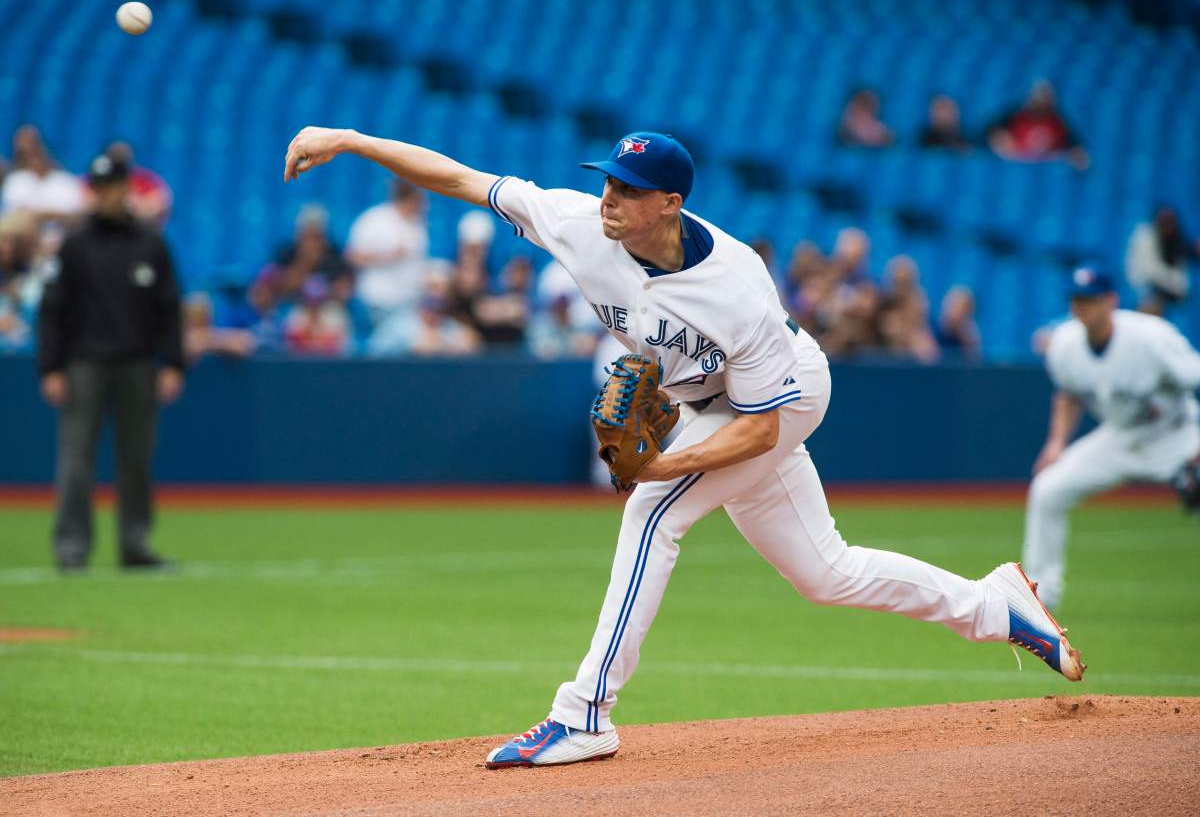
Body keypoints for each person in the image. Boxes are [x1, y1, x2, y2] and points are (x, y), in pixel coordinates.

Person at [284, 126, 1086, 770]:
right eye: (607, 181)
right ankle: (993, 604)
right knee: (824, 570)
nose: (608, 198)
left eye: (627, 190)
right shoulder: (577, 223)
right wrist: (353, 140)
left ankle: (584, 714)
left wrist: (660, 465)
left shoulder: (737, 283)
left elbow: (764, 426)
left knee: (651, 509)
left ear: (668, 204)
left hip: (784, 393)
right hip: (711, 404)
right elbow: (464, 179)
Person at [37, 153, 184, 571]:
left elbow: (169, 307)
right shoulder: (74, 245)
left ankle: (134, 545)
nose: (106, 195)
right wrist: (51, 366)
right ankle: (71, 548)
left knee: (136, 459)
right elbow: (53, 308)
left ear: (126, 188)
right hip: (84, 363)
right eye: (99, 188)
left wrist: (172, 362)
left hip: (136, 363)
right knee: (76, 459)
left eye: (113, 187)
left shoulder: (150, 243)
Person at [1022, 266, 1200, 609]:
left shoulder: (1152, 338)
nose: (1082, 306)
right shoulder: (1065, 343)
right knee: (1047, 489)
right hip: (1119, 438)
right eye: (1076, 299)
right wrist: (1056, 442)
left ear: (1111, 300)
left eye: (1090, 299)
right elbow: (1068, 394)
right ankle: (1039, 602)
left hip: (1176, 435)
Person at [346, 178, 430, 325]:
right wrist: (388, 256)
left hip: (409, 302)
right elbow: (352, 256)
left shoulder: (417, 226)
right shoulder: (375, 220)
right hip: (379, 301)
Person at [987, 80, 1089, 170]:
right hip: (1016, 165)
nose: (1040, 104)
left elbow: (1074, 147)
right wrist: (1000, 140)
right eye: (1037, 100)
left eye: (1045, 100)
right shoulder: (1016, 115)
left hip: (1046, 170)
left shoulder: (1058, 122)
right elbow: (991, 132)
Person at [1125, 205, 1199, 313]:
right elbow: (1149, 271)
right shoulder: (1145, 236)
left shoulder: (1177, 240)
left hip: (1167, 295)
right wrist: (1176, 282)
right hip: (1146, 289)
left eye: (1170, 222)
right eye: (1164, 221)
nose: (1167, 226)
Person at [103, 141, 173, 229]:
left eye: (122, 155)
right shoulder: (93, 180)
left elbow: (162, 205)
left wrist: (137, 205)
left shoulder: (146, 180)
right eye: (115, 155)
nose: (119, 159)